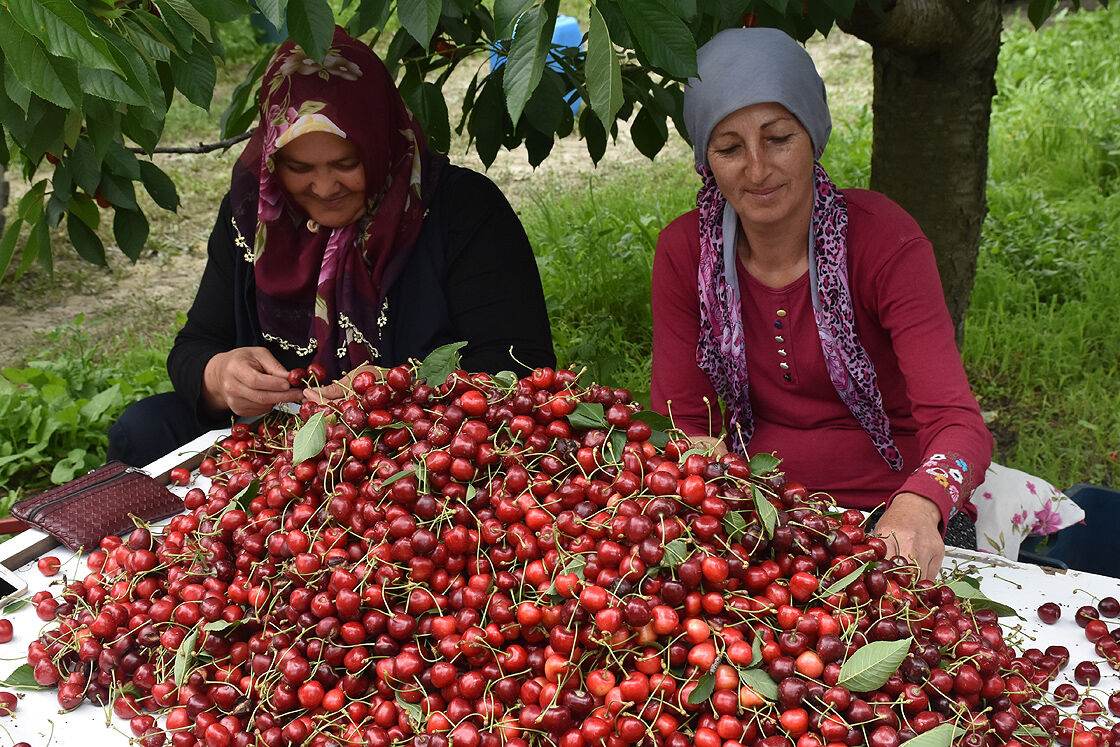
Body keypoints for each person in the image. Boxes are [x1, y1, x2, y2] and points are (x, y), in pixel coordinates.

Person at [109, 27, 555, 467]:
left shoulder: (460, 210)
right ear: (271, 159)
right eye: (298, 167)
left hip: (418, 444)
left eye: (346, 163)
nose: (324, 187)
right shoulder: (252, 214)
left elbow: (520, 364)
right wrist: (219, 376)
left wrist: (395, 387)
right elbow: (196, 344)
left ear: (379, 143)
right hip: (278, 440)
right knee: (143, 429)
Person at [651, 28, 993, 580]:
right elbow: (681, 420)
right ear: (704, 160)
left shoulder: (884, 242)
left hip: (897, 513)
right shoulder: (685, 253)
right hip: (754, 512)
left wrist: (920, 505)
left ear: (813, 134)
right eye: (730, 148)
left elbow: (959, 424)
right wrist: (717, 478)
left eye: (779, 137)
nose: (757, 170)